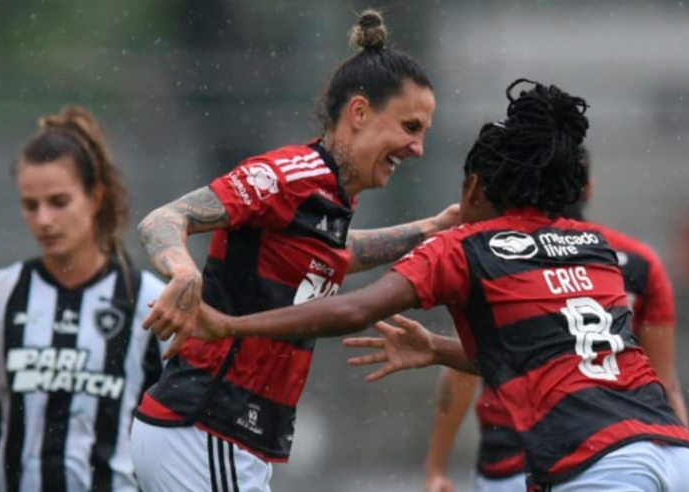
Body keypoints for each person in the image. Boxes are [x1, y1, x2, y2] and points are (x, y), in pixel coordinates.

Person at [192, 79, 689, 492]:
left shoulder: (464, 247)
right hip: (672, 451)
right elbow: (547, 354)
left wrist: (230, 323)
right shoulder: (592, 245)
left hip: (597, 463)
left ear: (475, 188)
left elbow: (354, 311)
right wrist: (435, 347)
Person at [131, 9, 458, 492]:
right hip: (205, 425)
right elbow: (163, 219)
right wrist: (183, 271)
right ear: (360, 113)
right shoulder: (289, 176)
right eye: (410, 127)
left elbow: (333, 254)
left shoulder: (330, 197)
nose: (417, 148)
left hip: (222, 435)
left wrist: (430, 228)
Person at [423, 147, 689, 492]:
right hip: (623, 450)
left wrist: (436, 466)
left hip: (516, 459)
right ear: (587, 189)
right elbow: (665, 383)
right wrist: (680, 457)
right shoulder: (635, 262)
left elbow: (460, 372)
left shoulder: (497, 256)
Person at [0, 106, 167, 492]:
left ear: (96, 197)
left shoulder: (150, 301)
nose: (43, 220)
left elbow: (182, 432)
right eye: (31, 206)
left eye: (58, 202)